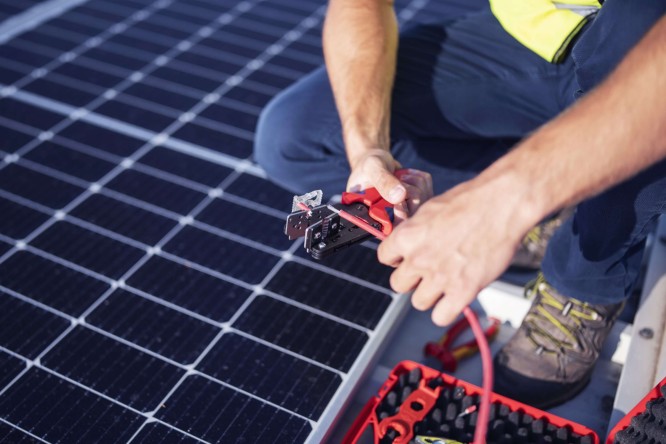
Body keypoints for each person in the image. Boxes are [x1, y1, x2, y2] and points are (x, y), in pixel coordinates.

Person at [254, 0, 666, 409]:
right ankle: (559, 202)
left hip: (647, 55)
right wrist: (367, 150)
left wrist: (502, 202)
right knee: (294, 138)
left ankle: (584, 281)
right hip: (543, 42)